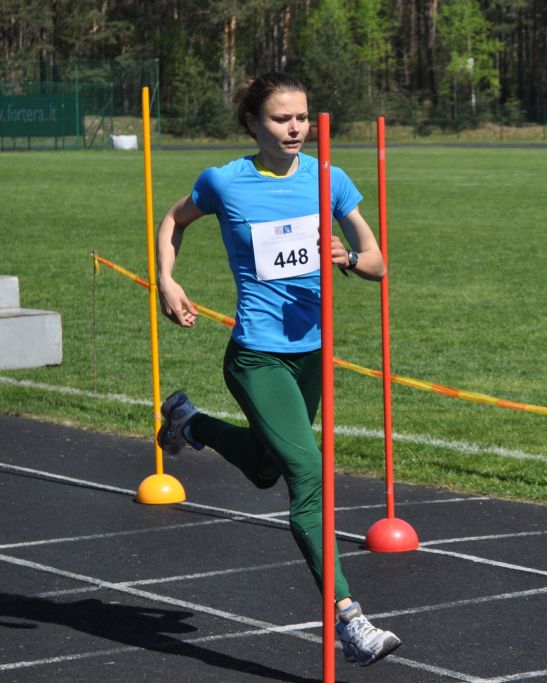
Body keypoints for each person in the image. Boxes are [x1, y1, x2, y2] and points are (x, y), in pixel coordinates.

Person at [155, 72, 400, 667]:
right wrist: (167, 278)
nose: (294, 128)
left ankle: (190, 424)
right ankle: (349, 618)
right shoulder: (224, 182)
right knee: (308, 472)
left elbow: (379, 263)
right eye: (280, 118)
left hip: (312, 355)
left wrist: (347, 258)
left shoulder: (330, 180)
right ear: (252, 124)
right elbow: (173, 220)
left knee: (267, 468)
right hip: (257, 356)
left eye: (301, 117)